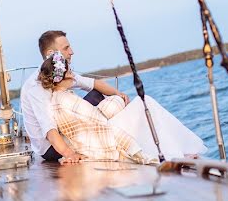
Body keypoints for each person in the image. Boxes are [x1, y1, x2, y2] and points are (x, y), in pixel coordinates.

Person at [38, 52, 207, 164]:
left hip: (93, 141)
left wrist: (116, 100)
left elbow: (93, 118)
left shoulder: (57, 100)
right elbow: (104, 126)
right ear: (65, 75)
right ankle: (174, 155)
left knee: (139, 108)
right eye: (70, 69)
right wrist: (143, 157)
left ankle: (175, 152)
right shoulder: (69, 101)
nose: (73, 73)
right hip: (106, 145)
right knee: (145, 104)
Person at [20, 30, 128, 164]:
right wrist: (70, 154)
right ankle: (108, 140)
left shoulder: (60, 70)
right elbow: (49, 130)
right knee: (98, 107)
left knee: (96, 95)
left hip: (64, 131)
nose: (71, 52)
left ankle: (105, 134)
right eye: (66, 48)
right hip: (51, 148)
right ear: (51, 54)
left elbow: (93, 83)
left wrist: (118, 94)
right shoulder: (35, 87)